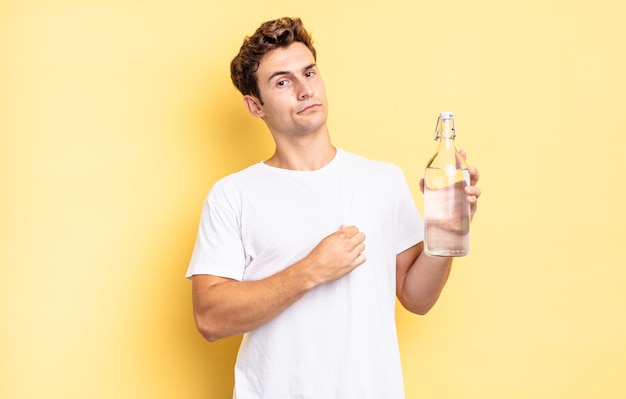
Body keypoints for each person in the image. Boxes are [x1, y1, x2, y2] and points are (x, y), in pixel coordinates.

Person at [187, 17, 481, 399]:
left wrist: (448, 228)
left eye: (309, 72)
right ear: (255, 105)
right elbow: (210, 318)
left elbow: (417, 298)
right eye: (282, 81)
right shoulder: (233, 195)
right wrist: (312, 269)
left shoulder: (382, 180)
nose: (304, 89)